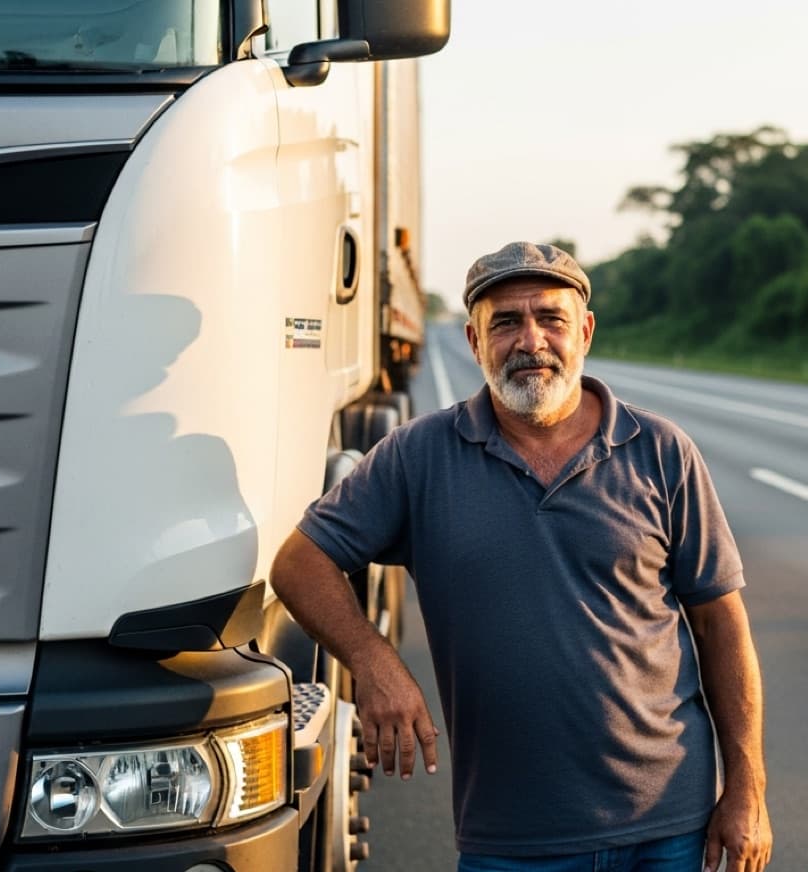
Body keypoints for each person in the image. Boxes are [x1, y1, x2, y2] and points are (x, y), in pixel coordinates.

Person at [270, 242, 773, 872]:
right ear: (476, 343)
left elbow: (721, 624)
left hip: (668, 828)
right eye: (504, 322)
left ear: (584, 332)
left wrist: (747, 790)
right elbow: (299, 561)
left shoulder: (663, 452)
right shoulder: (418, 456)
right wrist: (374, 661)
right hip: (510, 842)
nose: (529, 340)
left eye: (550, 319)